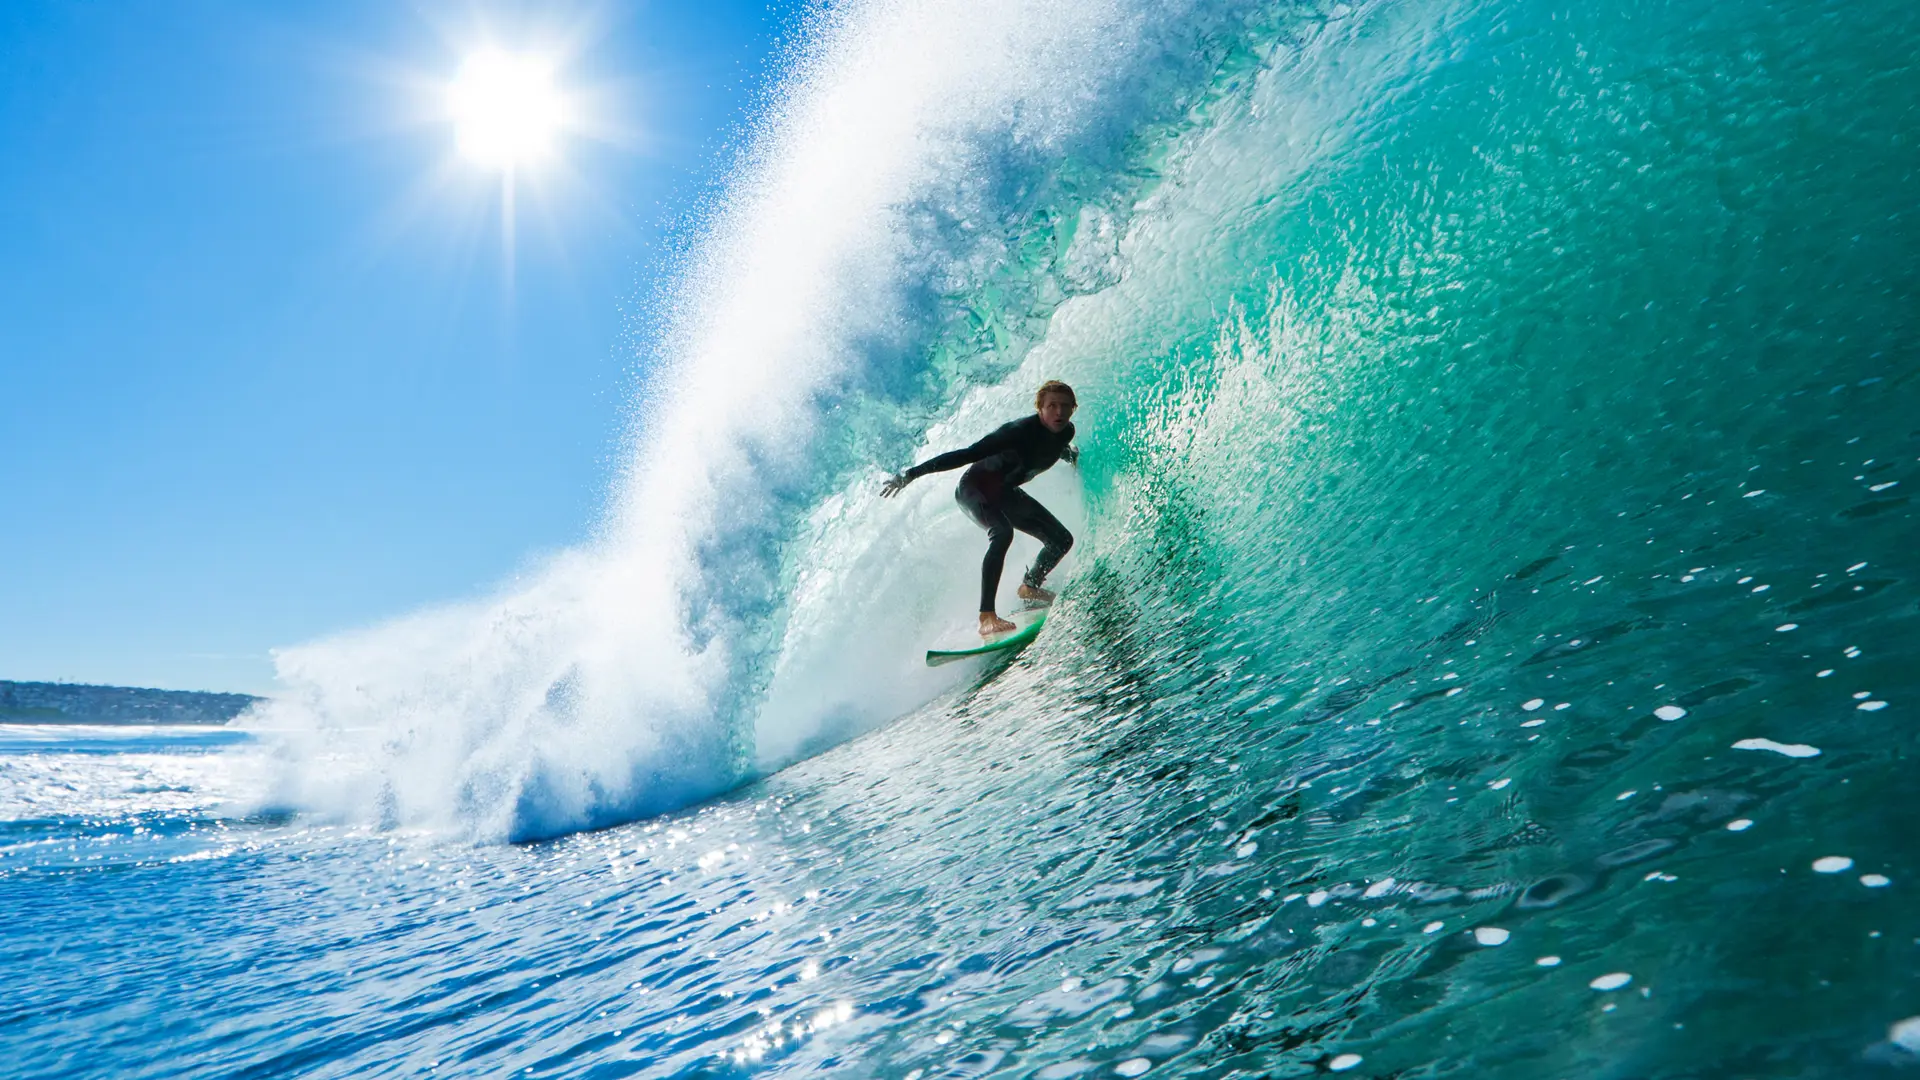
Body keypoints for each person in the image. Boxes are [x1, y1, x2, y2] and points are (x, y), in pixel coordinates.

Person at [882, 381, 1080, 636]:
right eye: (1052, 405)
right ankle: (987, 616)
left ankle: (1029, 588)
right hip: (975, 489)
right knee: (1002, 532)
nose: (1059, 412)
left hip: (1005, 492)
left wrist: (1071, 457)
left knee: (1061, 540)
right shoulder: (1016, 432)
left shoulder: (1065, 432)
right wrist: (910, 474)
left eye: (1065, 406)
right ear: (1039, 408)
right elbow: (967, 454)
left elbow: (1051, 447)